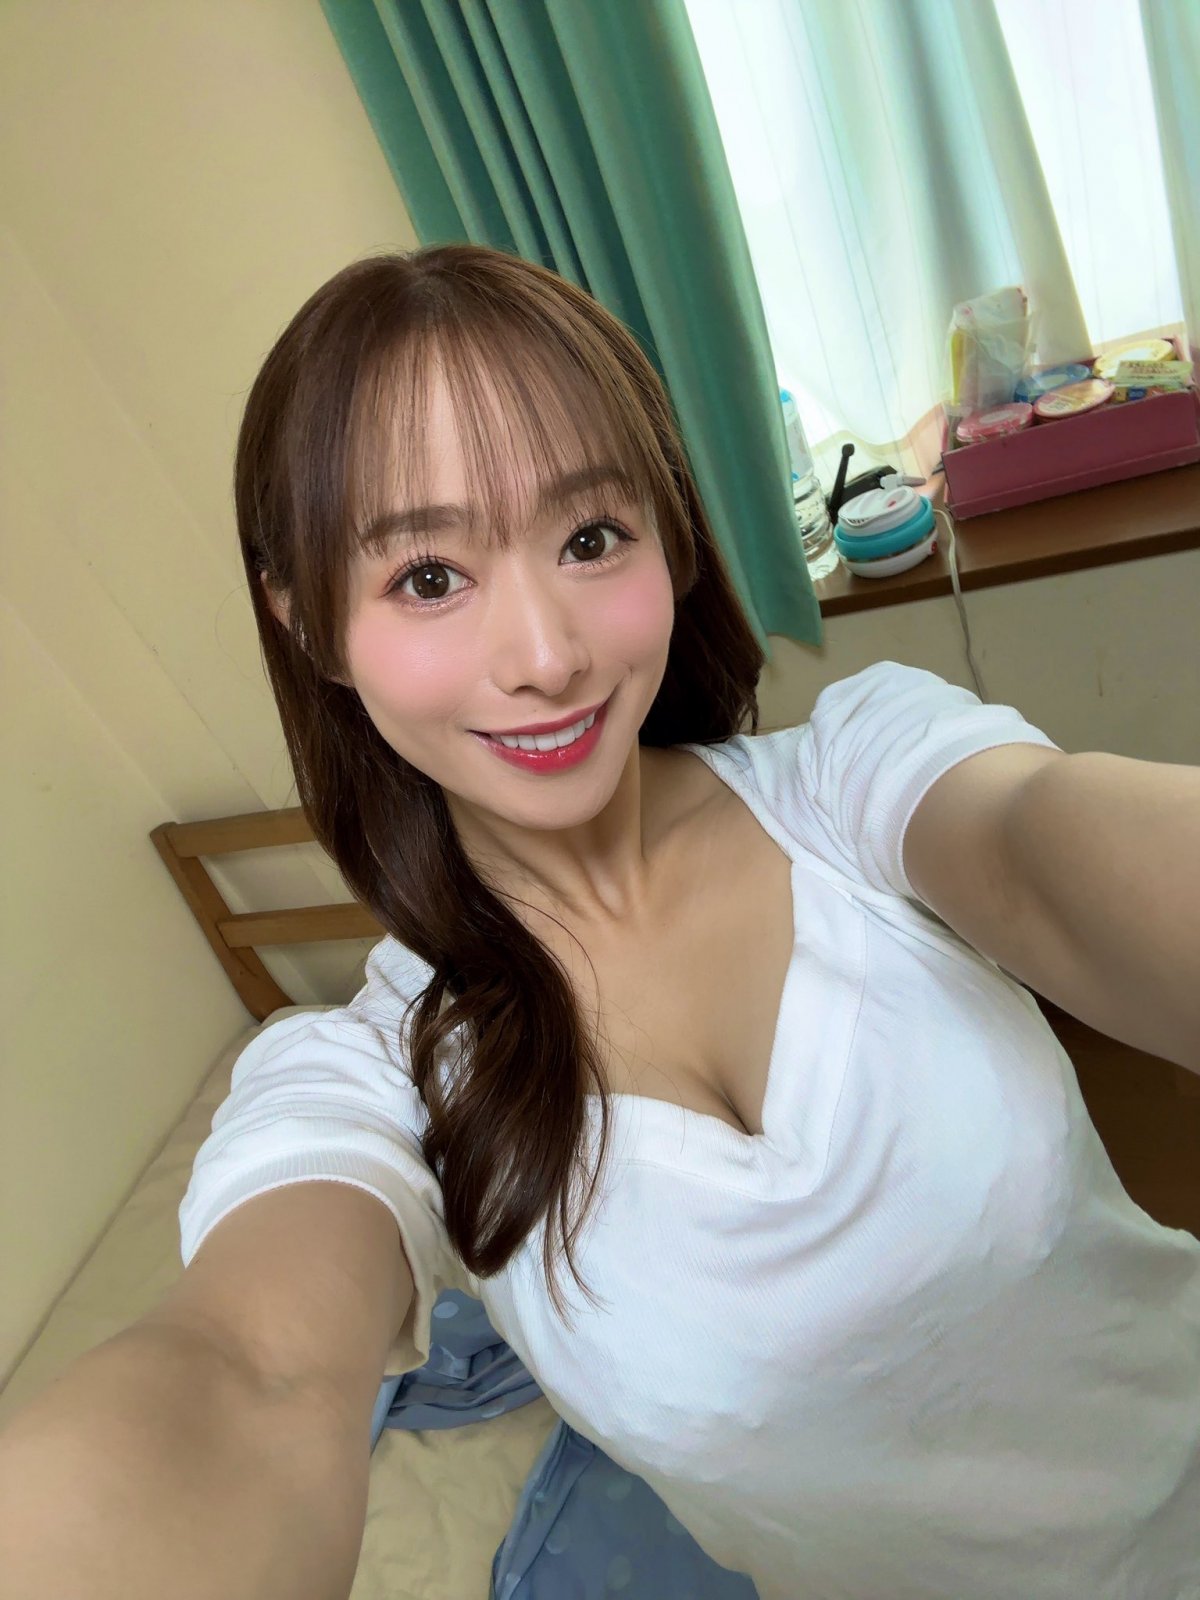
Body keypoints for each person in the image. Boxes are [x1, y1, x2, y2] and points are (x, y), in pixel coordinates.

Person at [1, 244, 1197, 1600]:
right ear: (308, 623)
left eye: (589, 538)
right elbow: (248, 1375)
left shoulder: (861, 780)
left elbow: (1048, 843)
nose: (546, 656)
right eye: (428, 577)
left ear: (668, 536)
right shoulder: (378, 1076)